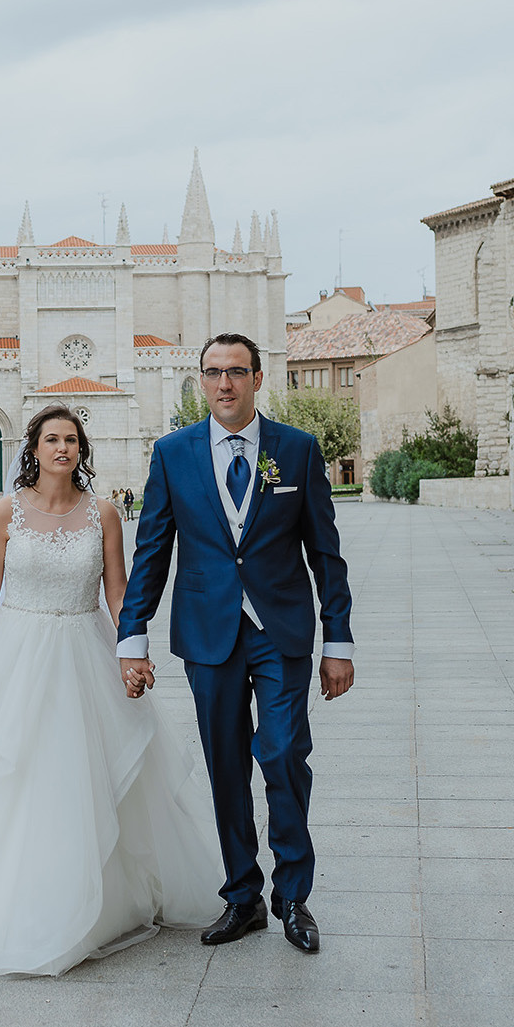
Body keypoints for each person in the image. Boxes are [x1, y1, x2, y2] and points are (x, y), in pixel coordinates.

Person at [0, 405, 220, 975]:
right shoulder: (5, 513)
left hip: (84, 651)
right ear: (34, 447)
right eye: (52, 439)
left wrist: (134, 650)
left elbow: (120, 593)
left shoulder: (104, 514)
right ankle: (11, 894)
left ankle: (92, 894)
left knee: (82, 772)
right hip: (18, 657)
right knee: (16, 771)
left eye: (72, 440)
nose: (63, 448)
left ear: (81, 449)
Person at [117, 333, 355, 953]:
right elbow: (152, 553)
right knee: (226, 766)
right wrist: (132, 636)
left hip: (281, 632)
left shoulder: (297, 451)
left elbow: (326, 555)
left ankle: (294, 895)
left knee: (281, 754)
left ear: (257, 378)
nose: (225, 384)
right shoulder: (173, 454)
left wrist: (340, 641)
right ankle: (243, 896)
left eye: (237, 372)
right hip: (208, 633)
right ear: (202, 381)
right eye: (213, 373)